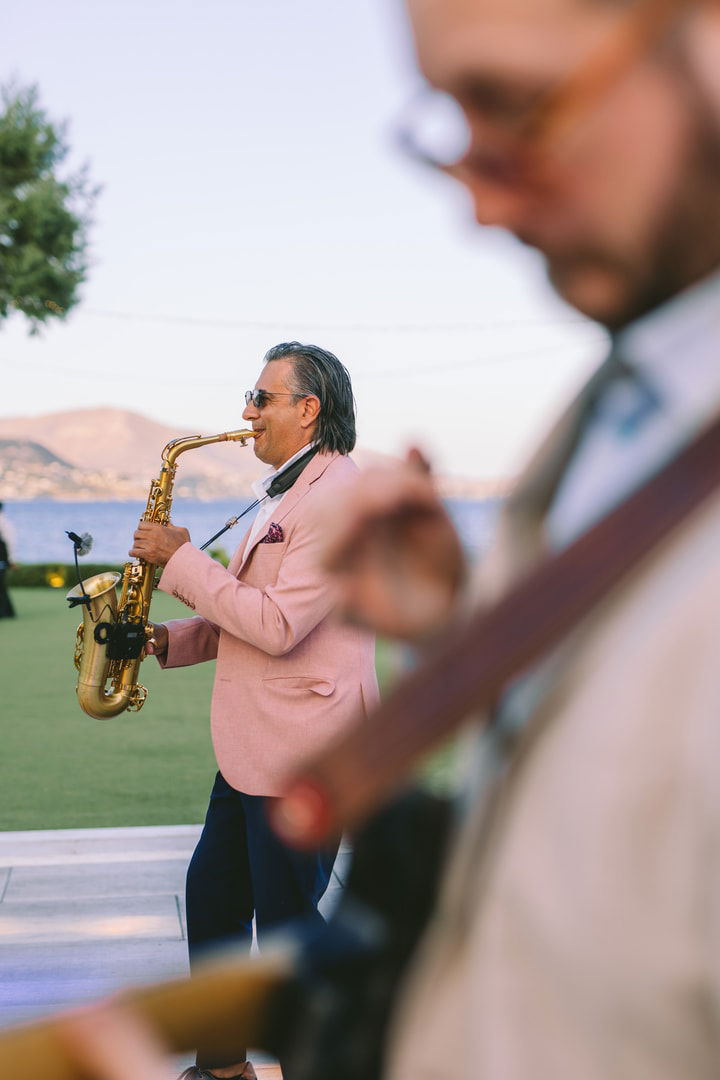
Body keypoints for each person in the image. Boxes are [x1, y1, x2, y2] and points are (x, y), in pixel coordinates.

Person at [318, 1, 720, 1078]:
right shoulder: (633, 399)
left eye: (514, 106)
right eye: (453, 127)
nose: (482, 206)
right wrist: (466, 634)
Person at [129, 342, 378, 1080]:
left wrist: (179, 560)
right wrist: (164, 638)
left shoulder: (337, 499)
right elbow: (248, 614)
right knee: (213, 900)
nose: (246, 412)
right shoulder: (287, 490)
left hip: (304, 748)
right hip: (255, 748)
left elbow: (277, 625)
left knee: (289, 926)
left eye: (262, 398)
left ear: (309, 409)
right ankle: (223, 1068)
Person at [0, 501, 16, 618]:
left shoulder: (4, 523)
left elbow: (9, 543)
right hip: (3, 559)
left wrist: (11, 559)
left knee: (1, 587)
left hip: (2, 559)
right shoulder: (6, 523)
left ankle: (6, 612)